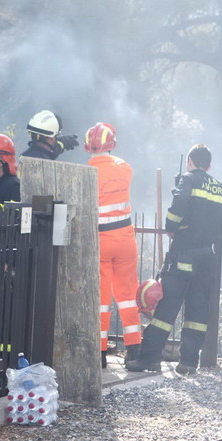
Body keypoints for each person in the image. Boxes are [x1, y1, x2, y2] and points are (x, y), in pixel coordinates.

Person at [126, 144, 222, 375]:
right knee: (197, 312)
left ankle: (150, 359)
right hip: (207, 257)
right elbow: (219, 220)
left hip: (184, 253)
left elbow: (179, 206)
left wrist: (172, 226)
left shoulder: (189, 179)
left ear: (190, 162)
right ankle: (189, 363)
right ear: (210, 165)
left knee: (166, 309)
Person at [84, 122, 142, 368]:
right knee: (128, 296)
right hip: (125, 239)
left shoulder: (86, 172)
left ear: (89, 146)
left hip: (101, 241)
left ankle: (99, 354)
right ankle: (134, 349)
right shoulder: (125, 168)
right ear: (112, 144)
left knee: (101, 298)